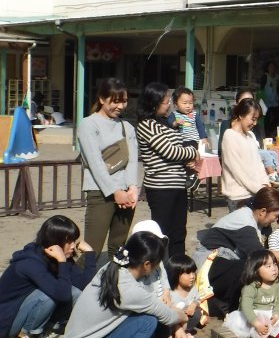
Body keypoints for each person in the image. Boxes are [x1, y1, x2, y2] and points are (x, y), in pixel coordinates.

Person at [65, 232, 188, 338]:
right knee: (147, 322)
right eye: (158, 263)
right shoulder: (129, 289)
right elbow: (167, 315)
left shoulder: (113, 268)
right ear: (147, 264)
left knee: (142, 316)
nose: (159, 267)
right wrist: (183, 318)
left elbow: (156, 305)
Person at [0, 215, 97, 338]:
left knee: (74, 292)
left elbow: (83, 286)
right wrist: (62, 262)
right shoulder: (31, 263)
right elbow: (61, 295)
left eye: (74, 241)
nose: (73, 246)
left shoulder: (56, 257)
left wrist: (90, 254)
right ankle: (19, 337)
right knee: (48, 296)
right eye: (69, 242)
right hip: (6, 320)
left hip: (24, 308)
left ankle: (45, 329)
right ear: (55, 242)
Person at [197, 186, 279, 318]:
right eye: (275, 216)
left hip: (227, 262)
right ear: (263, 211)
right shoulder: (244, 222)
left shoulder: (258, 222)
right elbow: (260, 255)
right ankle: (231, 306)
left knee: (263, 267)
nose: (276, 220)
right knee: (252, 267)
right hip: (209, 266)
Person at [77, 78, 139, 259]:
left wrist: (132, 188)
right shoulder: (89, 124)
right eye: (115, 100)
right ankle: (79, 286)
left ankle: (115, 285)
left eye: (124, 101)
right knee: (92, 250)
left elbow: (132, 161)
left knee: (119, 249)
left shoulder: (126, 127)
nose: (120, 106)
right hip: (100, 192)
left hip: (127, 194)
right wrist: (114, 191)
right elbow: (95, 163)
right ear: (102, 99)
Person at [135, 82, 198, 259]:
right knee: (162, 233)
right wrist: (193, 152)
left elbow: (180, 147)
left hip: (178, 185)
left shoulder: (167, 123)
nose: (169, 104)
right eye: (165, 101)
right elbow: (171, 152)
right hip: (161, 187)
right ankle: (160, 270)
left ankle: (177, 271)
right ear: (153, 102)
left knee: (179, 232)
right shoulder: (147, 125)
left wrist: (188, 155)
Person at [221, 98, 270, 205]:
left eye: (257, 119)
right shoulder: (229, 136)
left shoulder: (250, 136)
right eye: (253, 119)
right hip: (239, 197)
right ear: (241, 115)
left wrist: (265, 184)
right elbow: (237, 170)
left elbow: (258, 163)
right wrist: (260, 190)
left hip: (257, 194)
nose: (255, 123)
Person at [233, 87, 279, 185]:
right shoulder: (230, 131)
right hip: (242, 174)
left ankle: (274, 174)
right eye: (245, 102)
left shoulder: (256, 128)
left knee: (272, 153)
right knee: (266, 155)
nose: (254, 123)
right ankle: (271, 175)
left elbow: (260, 145)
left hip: (256, 167)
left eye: (251, 102)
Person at [169, 86, 209, 193]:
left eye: (190, 103)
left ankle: (192, 175)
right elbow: (169, 124)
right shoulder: (174, 114)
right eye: (185, 103)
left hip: (192, 141)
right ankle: (191, 177)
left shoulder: (194, 115)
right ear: (176, 104)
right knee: (183, 160)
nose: (188, 106)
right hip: (180, 141)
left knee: (190, 157)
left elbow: (200, 127)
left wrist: (204, 138)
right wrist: (175, 123)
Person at [167, 254, 205, 338]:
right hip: (171, 322)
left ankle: (185, 331)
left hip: (184, 321)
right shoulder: (169, 292)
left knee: (197, 313)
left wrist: (194, 304)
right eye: (187, 273)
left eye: (193, 272)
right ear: (175, 274)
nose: (192, 276)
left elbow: (198, 299)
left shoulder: (192, 289)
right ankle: (168, 335)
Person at [259, 61, 279, 139]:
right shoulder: (265, 77)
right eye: (270, 67)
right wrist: (260, 100)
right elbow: (261, 89)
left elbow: (277, 89)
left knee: (278, 116)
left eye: (273, 67)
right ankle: (267, 135)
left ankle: (270, 131)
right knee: (267, 118)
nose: (272, 68)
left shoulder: (276, 78)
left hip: (274, 101)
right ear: (267, 68)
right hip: (266, 101)